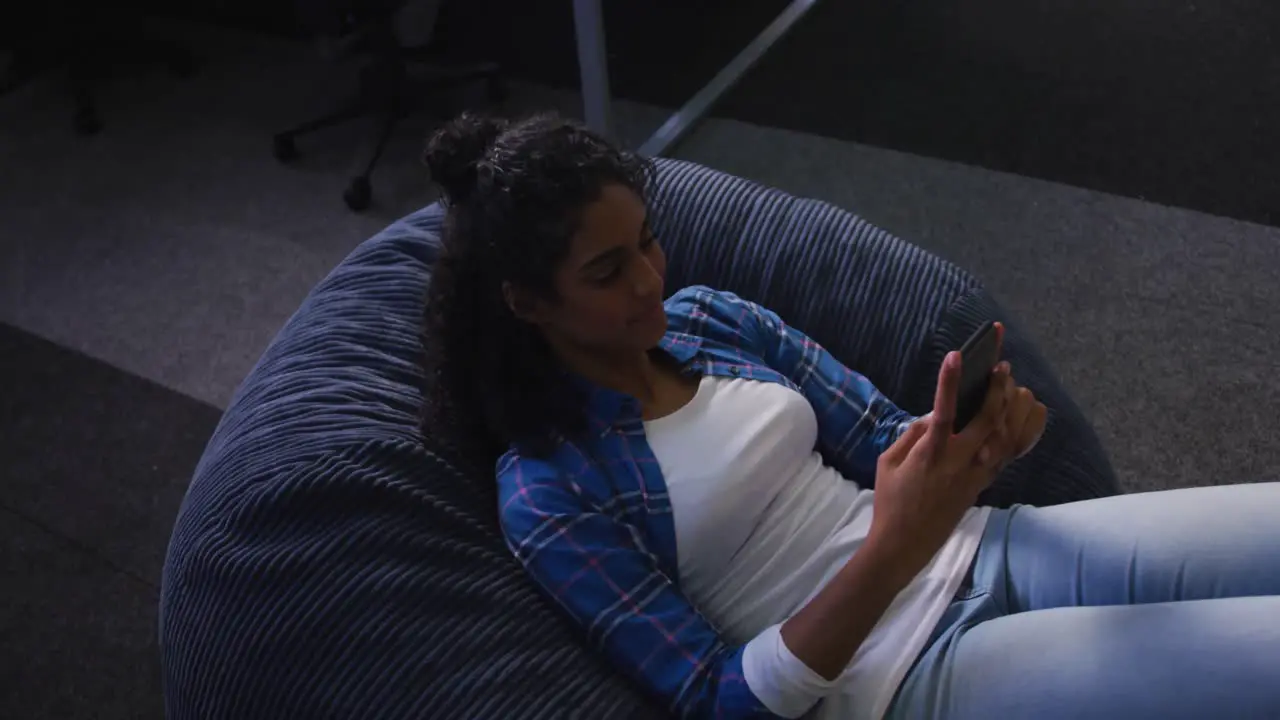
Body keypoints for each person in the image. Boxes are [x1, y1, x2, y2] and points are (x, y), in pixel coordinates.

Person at [420, 113, 1280, 720]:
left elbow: (882, 441)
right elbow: (718, 700)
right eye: (607, 273)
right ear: (529, 303)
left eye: (647, 240)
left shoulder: (712, 319)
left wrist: (980, 443)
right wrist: (893, 548)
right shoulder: (548, 491)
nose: (650, 281)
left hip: (986, 547)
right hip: (903, 672)